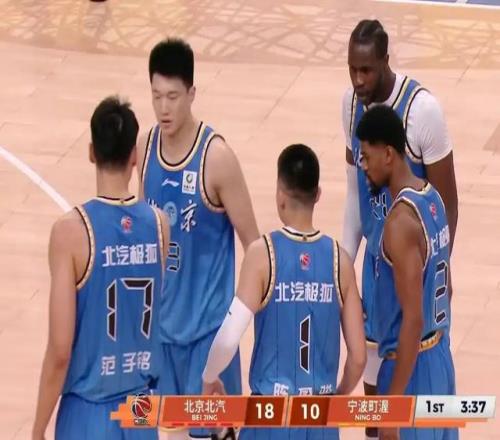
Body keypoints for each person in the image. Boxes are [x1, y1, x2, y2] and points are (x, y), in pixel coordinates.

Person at [341, 19, 458, 439]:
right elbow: (355, 196)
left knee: (384, 417)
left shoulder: (423, 111)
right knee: (375, 418)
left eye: (366, 70)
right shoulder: (426, 202)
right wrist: (345, 266)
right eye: (352, 69)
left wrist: (417, 278)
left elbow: (411, 320)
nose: (358, 79)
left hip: (412, 326)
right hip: (434, 346)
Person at [138, 38, 260, 440]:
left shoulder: (216, 158)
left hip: (209, 339)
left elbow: (255, 248)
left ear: (192, 93)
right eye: (156, 96)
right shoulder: (145, 147)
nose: (163, 107)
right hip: (161, 334)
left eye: (173, 97)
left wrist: (240, 324)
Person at [202, 144, 366, 440]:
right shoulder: (340, 261)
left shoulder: (262, 255)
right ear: (318, 195)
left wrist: (209, 377)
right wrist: (339, 396)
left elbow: (228, 338)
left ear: (280, 196)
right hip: (320, 419)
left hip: (270, 417)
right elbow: (358, 357)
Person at [32, 96, 169, 440]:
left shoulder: (70, 232)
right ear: (134, 156)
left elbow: (60, 350)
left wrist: (37, 428)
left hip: (87, 412)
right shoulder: (159, 224)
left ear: (92, 152)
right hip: (140, 410)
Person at [357, 105, 457, 440]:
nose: (363, 165)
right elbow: (447, 288)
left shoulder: (399, 223)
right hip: (440, 359)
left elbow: (412, 319)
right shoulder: (433, 199)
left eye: (367, 156)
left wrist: (393, 405)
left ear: (388, 154)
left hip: (411, 370)